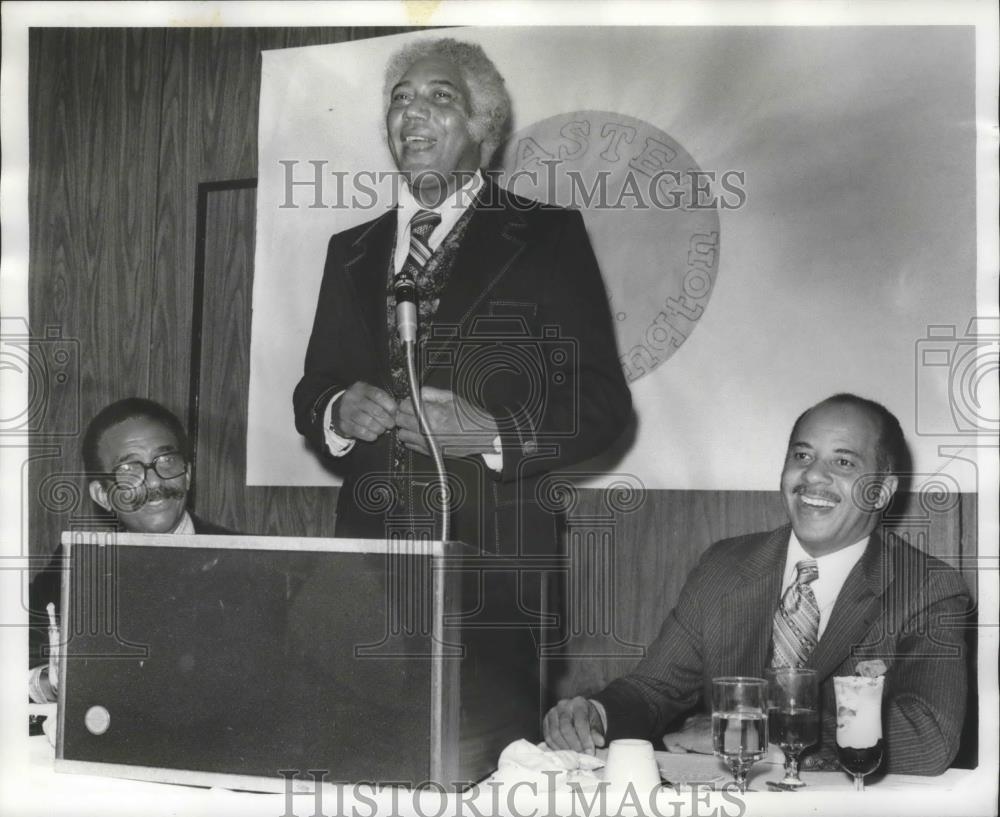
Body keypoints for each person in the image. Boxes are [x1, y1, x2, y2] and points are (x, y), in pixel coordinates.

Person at [292, 37, 632, 553]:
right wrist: (337, 411)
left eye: (441, 97)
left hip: (497, 558)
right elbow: (314, 387)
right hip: (366, 555)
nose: (413, 112)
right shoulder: (350, 251)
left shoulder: (547, 234)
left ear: (483, 127)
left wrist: (490, 432)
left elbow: (602, 404)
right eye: (401, 98)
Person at [543, 394, 970, 775]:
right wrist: (595, 713)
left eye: (843, 462)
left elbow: (928, 738)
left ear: (880, 492)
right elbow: (655, 689)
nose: (812, 477)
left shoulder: (929, 589)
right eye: (802, 456)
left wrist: (750, 731)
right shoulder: (723, 567)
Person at [28, 397, 235, 670]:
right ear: (103, 495)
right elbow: (21, 661)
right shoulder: (74, 566)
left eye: (166, 460)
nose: (154, 481)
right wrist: (51, 683)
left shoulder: (247, 560)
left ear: (187, 474)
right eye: (128, 470)